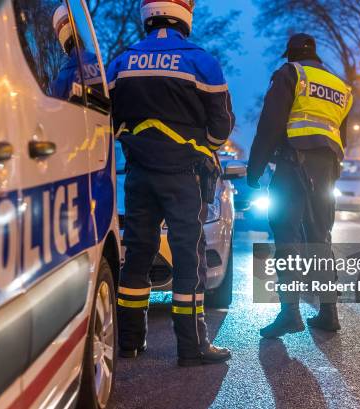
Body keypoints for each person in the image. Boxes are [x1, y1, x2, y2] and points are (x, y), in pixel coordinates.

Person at [107, 0, 235, 366]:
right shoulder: (200, 61)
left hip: (138, 174)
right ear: (185, 16)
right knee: (186, 258)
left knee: (137, 256)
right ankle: (191, 347)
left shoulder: (122, 61)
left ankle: (129, 343)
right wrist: (199, 150)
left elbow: (109, 117)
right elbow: (221, 125)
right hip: (182, 177)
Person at [247, 34, 353, 337]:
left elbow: (270, 125)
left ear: (290, 55)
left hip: (293, 165)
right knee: (321, 238)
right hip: (327, 169)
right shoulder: (340, 85)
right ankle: (329, 312)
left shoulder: (290, 74)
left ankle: (290, 312)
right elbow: (341, 137)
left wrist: (254, 170)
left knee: (286, 237)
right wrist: (333, 172)